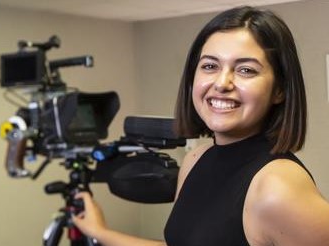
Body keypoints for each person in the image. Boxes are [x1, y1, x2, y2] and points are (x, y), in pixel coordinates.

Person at [72, 5, 329, 246]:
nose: (222, 83)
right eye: (209, 66)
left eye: (246, 70)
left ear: (280, 91)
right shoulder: (196, 159)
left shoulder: (277, 186)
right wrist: (102, 233)